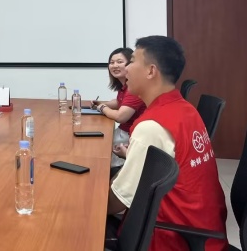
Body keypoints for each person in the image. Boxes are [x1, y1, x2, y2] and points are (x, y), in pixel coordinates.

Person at [106, 36, 228, 251]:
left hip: (171, 236)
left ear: (151, 71)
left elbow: (118, 201)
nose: (126, 69)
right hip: (203, 228)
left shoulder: (151, 126)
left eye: (132, 61)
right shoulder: (186, 110)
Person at [91, 47, 146, 171]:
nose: (114, 65)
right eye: (111, 62)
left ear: (131, 64)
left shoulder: (134, 88)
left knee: (98, 152)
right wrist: (102, 103)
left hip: (130, 135)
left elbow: (121, 116)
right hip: (124, 131)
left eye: (119, 62)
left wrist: (102, 107)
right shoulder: (125, 85)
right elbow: (119, 102)